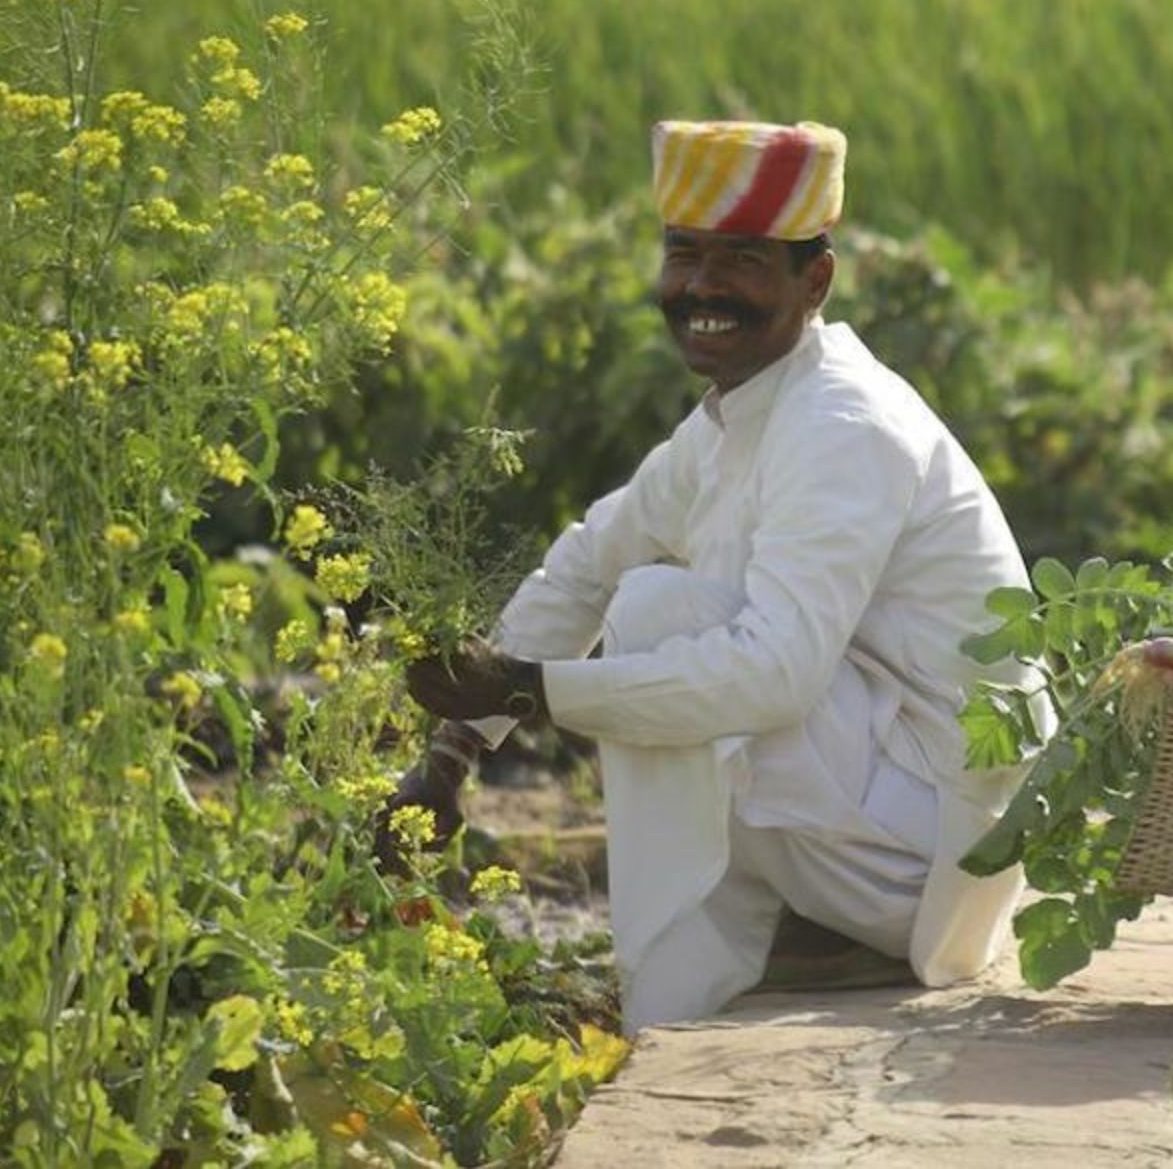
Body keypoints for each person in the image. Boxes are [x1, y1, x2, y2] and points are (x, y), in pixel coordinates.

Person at [385, 119, 1043, 1031]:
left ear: (815, 281)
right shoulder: (744, 413)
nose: (702, 288)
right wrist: (450, 760)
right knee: (647, 598)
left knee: (661, 615)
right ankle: (783, 940)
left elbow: (775, 674)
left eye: (741, 262)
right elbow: (588, 557)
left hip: (932, 857)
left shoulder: (842, 426)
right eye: (684, 255)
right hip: (884, 814)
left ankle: (681, 983)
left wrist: (537, 691)